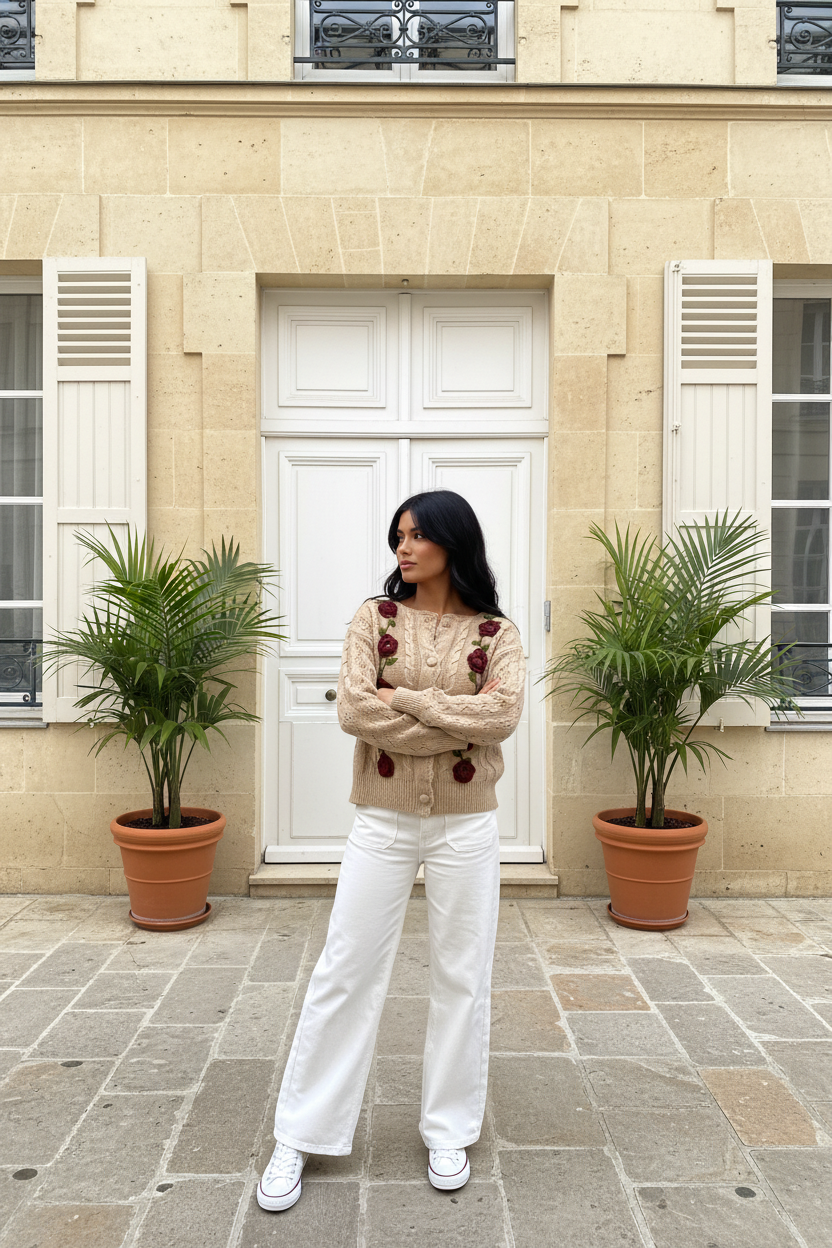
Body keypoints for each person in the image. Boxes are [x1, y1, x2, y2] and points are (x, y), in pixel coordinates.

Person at [257, 489, 526, 1212]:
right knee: (345, 968)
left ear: (452, 544)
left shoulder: (496, 631)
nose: (403, 549)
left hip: (467, 825)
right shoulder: (373, 619)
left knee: (463, 976)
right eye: (398, 537)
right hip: (381, 819)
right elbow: (353, 709)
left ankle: (449, 1130)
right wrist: (450, 720)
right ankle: (301, 1132)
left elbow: (501, 716)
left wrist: (402, 699)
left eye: (416, 537)